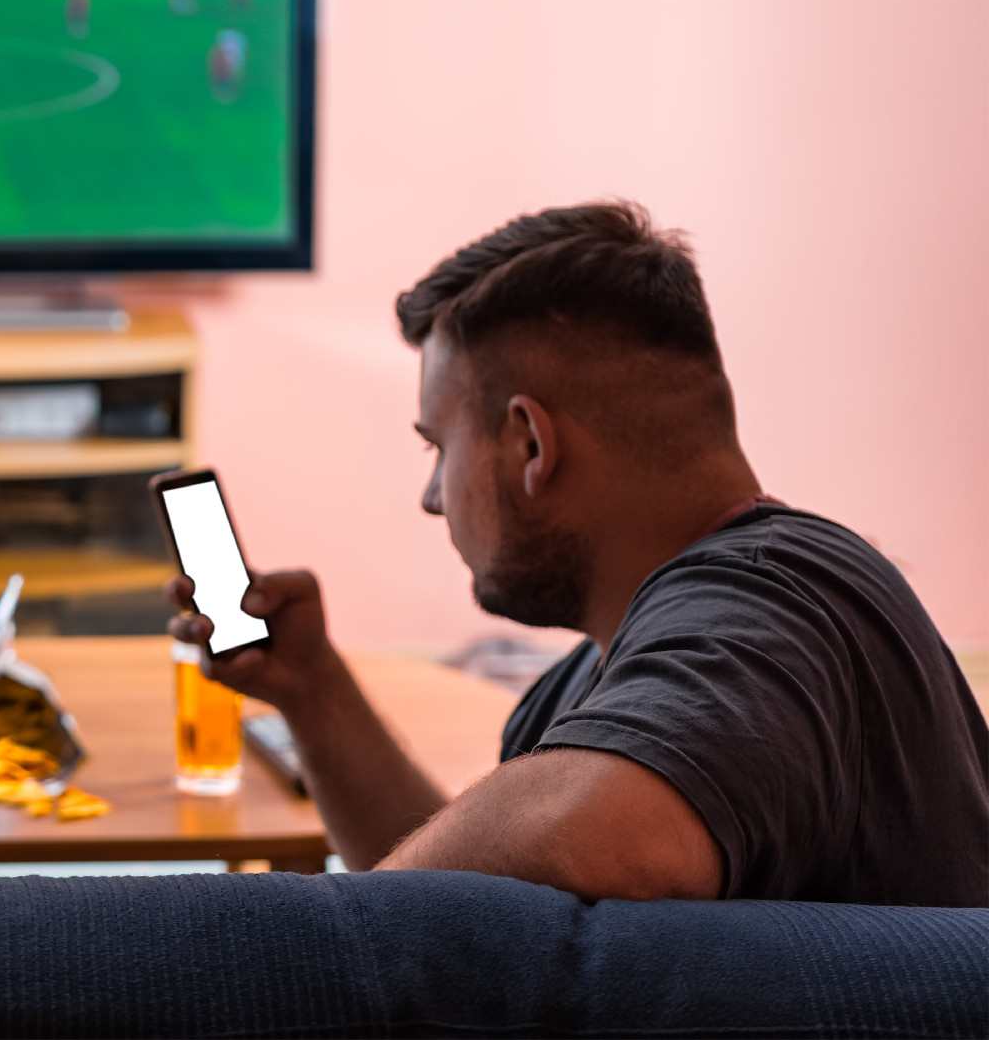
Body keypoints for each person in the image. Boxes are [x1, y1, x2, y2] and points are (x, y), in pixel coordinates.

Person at [171, 202, 989, 906]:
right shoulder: (614, 669)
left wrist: (336, 939)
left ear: (530, 443)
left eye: (438, 447)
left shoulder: (774, 603)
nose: (432, 496)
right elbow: (463, 902)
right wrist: (314, 691)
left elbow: (600, 838)